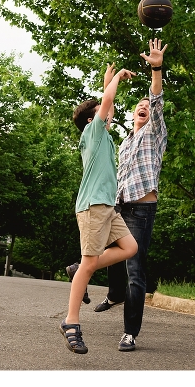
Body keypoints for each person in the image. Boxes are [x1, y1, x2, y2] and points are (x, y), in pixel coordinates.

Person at [92, 38, 169, 353]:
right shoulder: (125, 142)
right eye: (140, 104)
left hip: (141, 212)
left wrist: (156, 69)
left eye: (147, 106)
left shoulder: (155, 135)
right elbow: (104, 117)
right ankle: (114, 293)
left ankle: (129, 333)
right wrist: (108, 87)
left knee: (135, 272)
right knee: (105, 250)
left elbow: (156, 98)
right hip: (119, 208)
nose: (144, 106)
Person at [61, 64, 139, 354]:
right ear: (92, 119)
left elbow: (107, 103)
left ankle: (79, 268)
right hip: (93, 206)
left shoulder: (103, 135)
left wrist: (107, 83)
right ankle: (71, 322)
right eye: (102, 111)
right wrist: (116, 78)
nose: (109, 112)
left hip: (108, 207)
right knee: (90, 264)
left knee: (130, 247)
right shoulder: (92, 133)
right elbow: (107, 102)